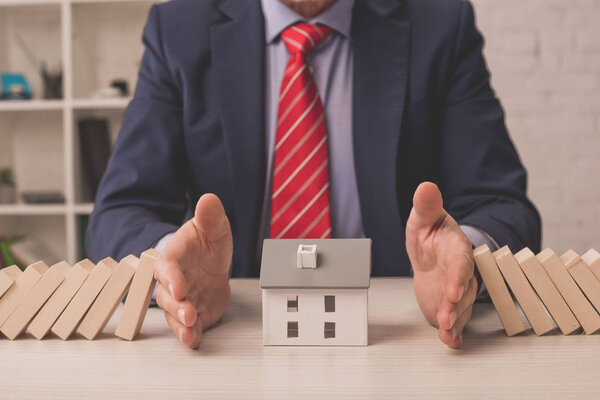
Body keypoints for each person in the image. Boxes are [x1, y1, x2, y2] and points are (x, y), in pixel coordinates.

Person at [87, 0, 541, 350]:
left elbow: (504, 206)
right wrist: (171, 265)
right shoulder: (179, 29)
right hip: (231, 339)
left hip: (402, 340)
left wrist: (463, 264)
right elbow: (121, 211)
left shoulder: (440, 24)